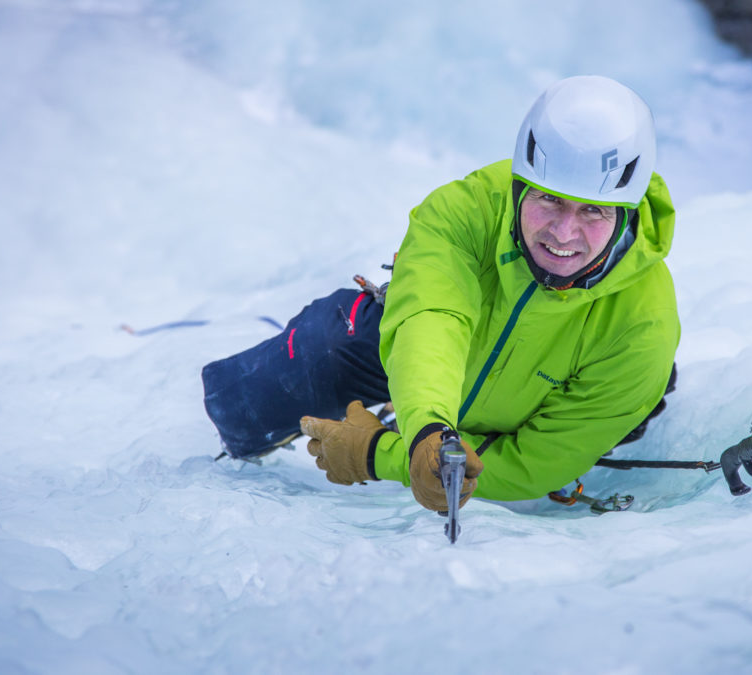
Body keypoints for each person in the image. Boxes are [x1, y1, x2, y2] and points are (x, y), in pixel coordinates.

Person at [201, 75, 680, 512]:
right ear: (517, 188)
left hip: (526, 411)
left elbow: (538, 463)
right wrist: (429, 427)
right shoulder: (465, 211)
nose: (563, 232)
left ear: (626, 213)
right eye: (548, 198)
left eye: (593, 212)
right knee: (289, 369)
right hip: (423, 366)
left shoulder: (643, 328)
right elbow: (431, 319)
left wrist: (379, 454)